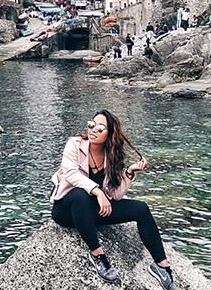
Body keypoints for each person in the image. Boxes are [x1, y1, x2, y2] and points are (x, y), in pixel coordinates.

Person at [50, 110, 176, 289]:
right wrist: (98, 193)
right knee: (80, 194)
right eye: (91, 125)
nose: (93, 130)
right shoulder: (74, 144)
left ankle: (161, 266)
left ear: (110, 134)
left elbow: (115, 195)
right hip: (66, 209)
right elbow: (70, 174)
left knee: (141, 209)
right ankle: (97, 255)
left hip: (93, 212)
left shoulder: (112, 156)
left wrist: (130, 172)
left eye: (100, 128)